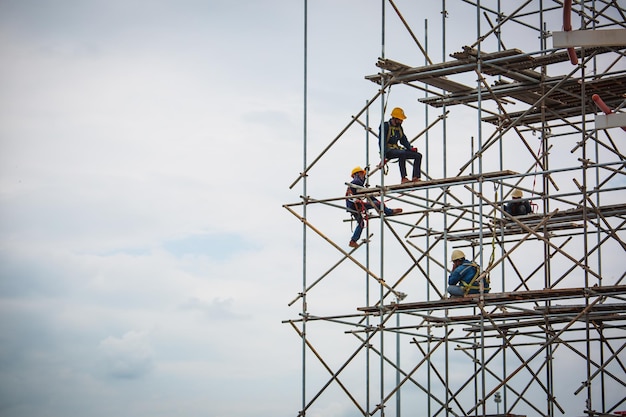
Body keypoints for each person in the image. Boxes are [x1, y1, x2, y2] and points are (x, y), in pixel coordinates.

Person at [346, 166, 402, 248]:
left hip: (352, 206)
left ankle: (353, 241)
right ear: (357, 174)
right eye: (362, 174)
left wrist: (365, 173)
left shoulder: (355, 183)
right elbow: (361, 184)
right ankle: (389, 212)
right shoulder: (356, 182)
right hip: (355, 205)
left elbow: (364, 190)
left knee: (361, 223)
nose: (363, 176)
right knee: (377, 204)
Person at [379, 107, 423, 184]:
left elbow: (403, 140)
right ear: (395, 118)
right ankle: (403, 178)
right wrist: (384, 157)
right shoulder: (386, 126)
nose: (401, 121)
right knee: (402, 153)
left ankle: (416, 177)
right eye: (400, 119)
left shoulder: (399, 128)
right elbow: (381, 142)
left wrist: (410, 148)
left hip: (397, 149)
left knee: (418, 155)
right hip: (388, 151)